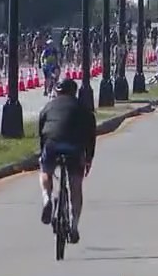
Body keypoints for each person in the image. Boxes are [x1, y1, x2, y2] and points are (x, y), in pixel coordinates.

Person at [38, 78, 97, 244]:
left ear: (57, 92)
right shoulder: (83, 109)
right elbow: (91, 136)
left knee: (45, 172)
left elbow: (42, 131)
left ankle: (47, 198)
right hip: (74, 147)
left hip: (52, 145)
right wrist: (88, 159)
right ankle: (74, 226)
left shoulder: (49, 106)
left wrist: (42, 151)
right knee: (75, 186)